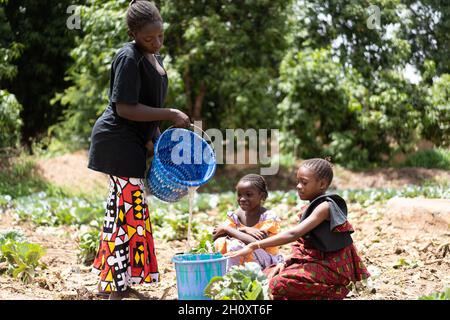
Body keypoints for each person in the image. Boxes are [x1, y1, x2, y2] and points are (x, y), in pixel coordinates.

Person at [87, 0, 190, 300]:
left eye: (160, 35)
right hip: (117, 141)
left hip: (132, 142)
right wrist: (170, 113)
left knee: (124, 212)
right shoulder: (127, 57)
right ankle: (115, 289)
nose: (156, 42)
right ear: (132, 33)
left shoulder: (150, 56)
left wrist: (155, 140)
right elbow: (125, 108)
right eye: (149, 38)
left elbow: (147, 106)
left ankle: (116, 282)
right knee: (126, 212)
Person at [226, 158, 370, 300]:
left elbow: (293, 234)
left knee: (276, 284)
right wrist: (284, 262)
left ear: (322, 184)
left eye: (304, 182)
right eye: (298, 181)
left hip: (332, 267)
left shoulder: (324, 207)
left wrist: (254, 245)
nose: (299, 186)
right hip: (315, 261)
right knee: (267, 273)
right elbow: (305, 248)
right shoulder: (309, 207)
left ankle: (336, 289)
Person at [213, 174, 283, 270]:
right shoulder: (235, 216)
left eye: (248, 195)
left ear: (261, 196)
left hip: (267, 260)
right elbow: (216, 235)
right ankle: (233, 274)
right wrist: (244, 230)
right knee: (221, 241)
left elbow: (256, 244)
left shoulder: (268, 218)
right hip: (242, 259)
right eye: (239, 195)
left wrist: (228, 229)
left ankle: (233, 273)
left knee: (236, 245)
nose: (242, 199)